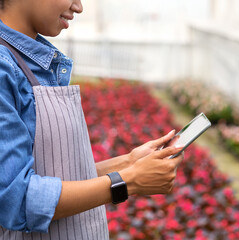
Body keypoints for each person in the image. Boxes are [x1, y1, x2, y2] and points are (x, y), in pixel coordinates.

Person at [0, 0, 184, 239]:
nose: (78, 7)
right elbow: (16, 199)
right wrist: (128, 181)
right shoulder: (4, 69)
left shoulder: (30, 62)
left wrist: (128, 163)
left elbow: (52, 175)